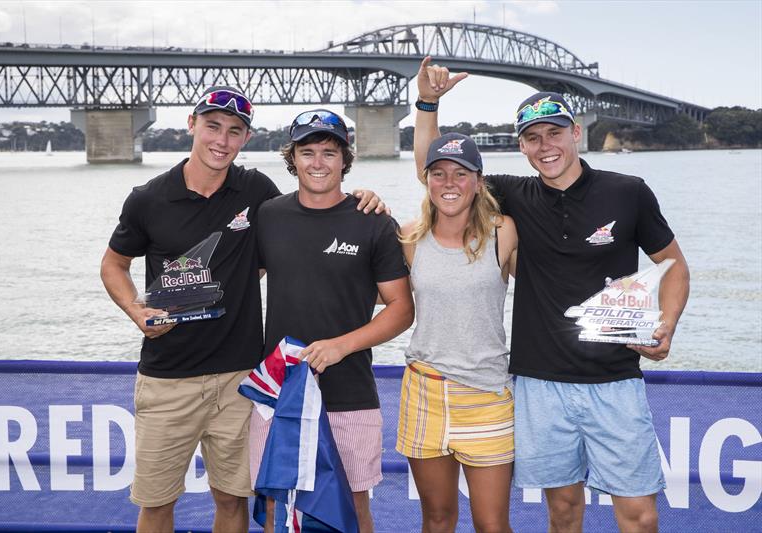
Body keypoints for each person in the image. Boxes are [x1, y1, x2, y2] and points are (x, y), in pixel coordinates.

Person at [413, 57, 690, 533]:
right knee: (562, 512)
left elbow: (675, 266)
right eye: (533, 138)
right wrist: (427, 104)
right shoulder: (512, 196)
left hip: (614, 379)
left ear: (575, 133)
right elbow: (437, 173)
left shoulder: (628, 191)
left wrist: (666, 325)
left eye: (554, 133)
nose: (546, 146)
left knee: (640, 517)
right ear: (522, 147)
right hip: (540, 383)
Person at [100, 87, 385, 533]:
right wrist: (137, 311)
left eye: (235, 131)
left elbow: (313, 214)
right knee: (156, 504)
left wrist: (364, 199)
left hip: (241, 380)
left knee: (234, 502)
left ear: (246, 139)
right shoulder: (148, 197)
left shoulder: (257, 192)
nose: (222, 140)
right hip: (167, 377)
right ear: (192, 125)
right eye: (212, 126)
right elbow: (114, 264)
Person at [249, 109, 414, 533]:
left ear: (345, 160)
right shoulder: (268, 216)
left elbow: (401, 308)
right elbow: (240, 279)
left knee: (353, 509)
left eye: (329, 152)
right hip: (279, 394)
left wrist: (341, 345)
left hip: (350, 392)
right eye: (307, 152)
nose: (318, 162)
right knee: (274, 508)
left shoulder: (373, 221)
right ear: (293, 159)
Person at [397, 130, 518, 533]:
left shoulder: (503, 232)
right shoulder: (409, 237)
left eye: (460, 173)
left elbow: (554, 284)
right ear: (425, 179)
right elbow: (382, 297)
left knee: (491, 524)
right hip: (425, 392)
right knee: (436, 519)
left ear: (479, 181)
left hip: (487, 394)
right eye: (438, 173)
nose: (449, 183)